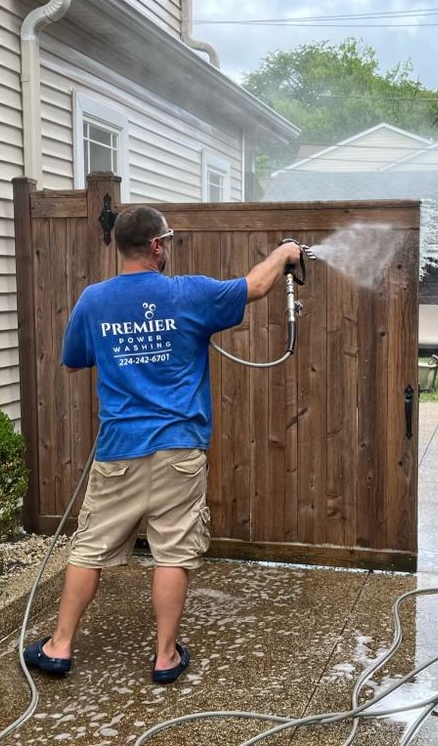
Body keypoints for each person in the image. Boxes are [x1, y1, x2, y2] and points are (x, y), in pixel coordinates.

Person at [23, 204, 304, 684]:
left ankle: (59, 646)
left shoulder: (94, 300)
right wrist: (285, 253)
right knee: (172, 553)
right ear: (156, 246)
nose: (170, 247)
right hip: (179, 451)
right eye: (168, 240)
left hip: (118, 451)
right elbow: (256, 286)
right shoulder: (187, 294)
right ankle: (165, 656)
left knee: (88, 549)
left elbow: (73, 362)